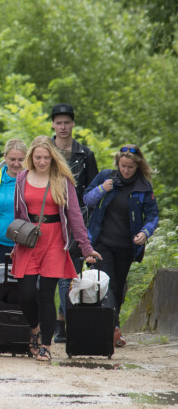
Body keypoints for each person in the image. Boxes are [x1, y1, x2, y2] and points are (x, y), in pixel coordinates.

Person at [11, 136, 101, 362]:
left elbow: (75, 217)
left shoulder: (62, 180)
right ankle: (34, 330)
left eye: (46, 157)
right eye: (38, 157)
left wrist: (86, 247)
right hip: (29, 240)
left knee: (46, 294)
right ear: (31, 157)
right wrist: (15, 244)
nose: (42, 161)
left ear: (53, 157)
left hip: (53, 240)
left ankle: (45, 345)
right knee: (26, 294)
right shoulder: (22, 178)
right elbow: (18, 216)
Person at [83, 145, 159, 348]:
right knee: (107, 285)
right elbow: (86, 199)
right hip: (101, 244)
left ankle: (110, 327)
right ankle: (113, 329)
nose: (125, 170)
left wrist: (145, 232)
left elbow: (152, 216)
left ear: (138, 166)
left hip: (126, 247)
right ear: (117, 163)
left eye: (130, 167)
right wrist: (102, 189)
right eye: (122, 166)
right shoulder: (106, 177)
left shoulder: (143, 188)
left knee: (118, 288)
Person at [50, 103, 99, 343]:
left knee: (69, 273)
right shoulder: (44, 151)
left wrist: (87, 226)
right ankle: (58, 324)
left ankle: (65, 324)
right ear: (52, 124)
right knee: (55, 276)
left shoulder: (86, 154)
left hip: (77, 220)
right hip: (49, 220)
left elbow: (92, 193)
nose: (62, 126)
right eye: (58, 122)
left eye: (66, 122)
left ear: (73, 124)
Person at [0, 138, 28, 264]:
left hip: (26, 244)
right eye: (12, 159)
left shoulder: (33, 180)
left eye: (20, 160)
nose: (16, 163)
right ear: (5, 157)